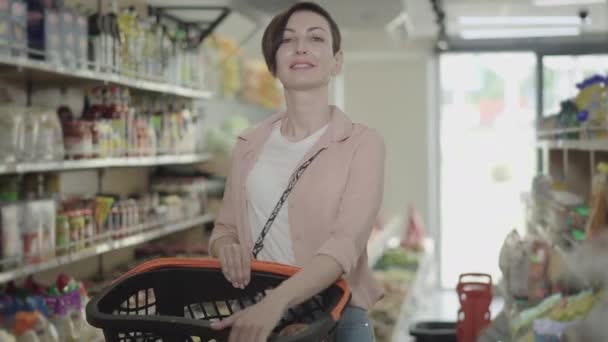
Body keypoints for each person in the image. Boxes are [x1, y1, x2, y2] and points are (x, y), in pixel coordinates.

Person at [208, 2, 385, 341]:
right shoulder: (248, 144)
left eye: (316, 38)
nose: (301, 46)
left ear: (337, 61)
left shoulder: (363, 144)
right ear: (273, 62)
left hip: (337, 316)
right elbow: (224, 229)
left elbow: (344, 245)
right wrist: (227, 248)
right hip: (259, 312)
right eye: (287, 40)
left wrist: (276, 302)